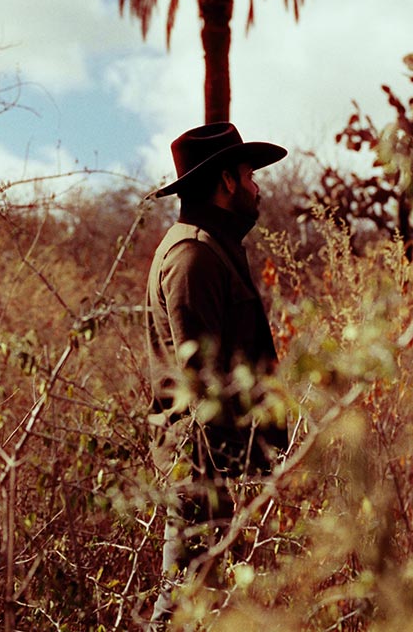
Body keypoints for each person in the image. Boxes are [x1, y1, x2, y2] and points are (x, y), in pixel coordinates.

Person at [145, 122, 289, 627]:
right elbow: (202, 383)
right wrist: (235, 475)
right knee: (183, 609)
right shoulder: (193, 256)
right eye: (250, 175)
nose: (258, 186)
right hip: (205, 475)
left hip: (227, 471)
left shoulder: (213, 248)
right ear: (227, 182)